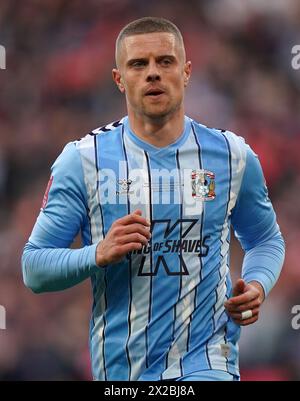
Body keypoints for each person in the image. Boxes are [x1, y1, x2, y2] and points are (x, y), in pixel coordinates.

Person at [22, 17, 285, 381]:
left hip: (210, 363)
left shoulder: (232, 155)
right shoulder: (83, 160)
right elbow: (34, 268)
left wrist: (257, 283)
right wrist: (96, 253)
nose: (153, 74)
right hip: (122, 372)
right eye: (138, 64)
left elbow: (265, 239)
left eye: (165, 61)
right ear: (119, 79)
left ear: (187, 71)